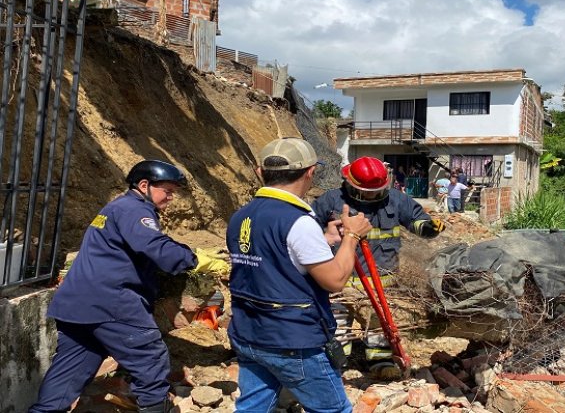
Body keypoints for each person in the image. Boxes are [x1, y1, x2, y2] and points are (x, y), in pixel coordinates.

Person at [30, 160, 229, 413]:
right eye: (167, 191)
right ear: (144, 185)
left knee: (69, 371)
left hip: (76, 304)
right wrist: (194, 259)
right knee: (150, 360)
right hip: (111, 301)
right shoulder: (135, 210)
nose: (171, 198)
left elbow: (141, 246)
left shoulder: (118, 208)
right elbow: (155, 247)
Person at [226, 138, 372, 413]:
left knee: (253, 407)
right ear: (310, 172)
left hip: (249, 332)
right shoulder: (298, 221)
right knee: (333, 410)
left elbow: (273, 259)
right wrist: (352, 235)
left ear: (260, 172)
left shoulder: (241, 216)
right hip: (291, 340)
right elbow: (335, 280)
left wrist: (324, 240)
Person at [311, 156, 445, 377]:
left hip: (382, 284)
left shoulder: (396, 200)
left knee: (379, 325)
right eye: (366, 192)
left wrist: (430, 227)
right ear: (350, 183)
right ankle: (337, 367)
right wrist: (325, 236)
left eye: (376, 191)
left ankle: (380, 364)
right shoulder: (331, 200)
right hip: (340, 283)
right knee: (338, 325)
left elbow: (416, 220)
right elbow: (307, 228)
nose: (372, 196)